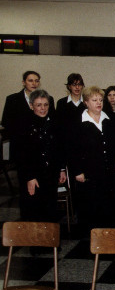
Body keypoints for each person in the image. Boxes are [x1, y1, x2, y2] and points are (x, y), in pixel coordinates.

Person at [69, 86, 115, 229]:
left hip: (109, 171)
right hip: (89, 173)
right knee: (92, 208)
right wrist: (77, 171)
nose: (98, 103)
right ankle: (93, 243)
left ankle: (109, 239)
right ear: (86, 102)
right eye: (94, 100)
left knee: (111, 207)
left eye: (100, 99)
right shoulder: (77, 122)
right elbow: (72, 149)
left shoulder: (109, 119)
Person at [14, 89, 66, 223]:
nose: (43, 108)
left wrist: (61, 169)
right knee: (33, 209)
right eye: (38, 105)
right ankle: (36, 243)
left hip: (50, 173)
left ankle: (51, 242)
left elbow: (59, 148)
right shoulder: (23, 124)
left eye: (45, 104)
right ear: (31, 106)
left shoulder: (55, 123)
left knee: (51, 208)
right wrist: (29, 177)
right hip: (32, 174)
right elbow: (20, 154)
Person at [2, 71, 55, 160]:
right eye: (30, 80)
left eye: (37, 81)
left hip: (42, 147)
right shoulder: (12, 99)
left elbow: (53, 121)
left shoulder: (48, 99)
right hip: (20, 146)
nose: (34, 83)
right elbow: (6, 122)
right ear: (23, 82)